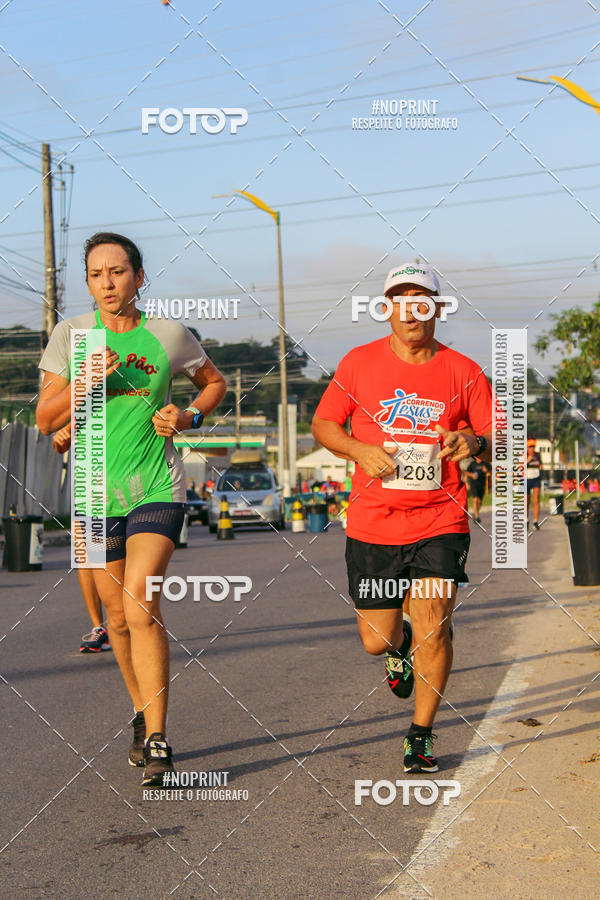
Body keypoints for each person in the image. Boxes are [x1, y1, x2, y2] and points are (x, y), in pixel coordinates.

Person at [36, 232, 226, 786]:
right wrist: (82, 384)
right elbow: (46, 419)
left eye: (118, 272)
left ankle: (161, 736)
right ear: (89, 283)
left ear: (139, 277)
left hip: (156, 487)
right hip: (92, 497)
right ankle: (142, 714)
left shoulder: (168, 334)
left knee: (141, 604)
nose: (107, 283)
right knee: (115, 618)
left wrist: (188, 416)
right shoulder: (69, 336)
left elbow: (212, 383)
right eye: (96, 275)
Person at [312, 262, 493, 773]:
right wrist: (357, 449)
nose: (411, 310)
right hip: (374, 522)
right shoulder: (358, 364)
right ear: (387, 309)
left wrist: (473, 441)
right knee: (376, 639)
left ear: (436, 308)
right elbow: (323, 423)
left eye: (422, 300)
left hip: (440, 518)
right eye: (400, 300)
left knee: (436, 623)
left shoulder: (464, 371)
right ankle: (401, 644)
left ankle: (421, 731)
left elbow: (495, 435)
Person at [52, 422, 111, 652]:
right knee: (86, 553)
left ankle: (127, 621)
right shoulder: (79, 392)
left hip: (131, 471)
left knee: (122, 557)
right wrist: (62, 435)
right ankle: (99, 628)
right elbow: (57, 438)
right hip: (91, 475)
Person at [464, 457, 490, 523]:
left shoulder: (486, 463)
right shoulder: (472, 464)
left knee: (480, 502)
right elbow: (466, 473)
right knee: (475, 499)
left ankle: (476, 513)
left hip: (482, 484)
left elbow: (491, 471)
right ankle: (476, 516)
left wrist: (486, 471)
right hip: (473, 484)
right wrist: (471, 475)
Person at [526, 438, 542, 529]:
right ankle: (526, 519)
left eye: (533, 446)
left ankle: (535, 521)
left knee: (536, 499)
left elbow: (540, 464)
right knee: (526, 501)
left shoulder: (538, 455)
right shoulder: (524, 455)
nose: (532, 448)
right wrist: (528, 460)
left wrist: (540, 467)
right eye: (530, 447)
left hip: (536, 478)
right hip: (526, 479)